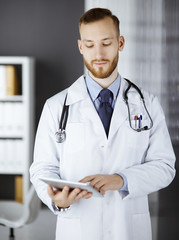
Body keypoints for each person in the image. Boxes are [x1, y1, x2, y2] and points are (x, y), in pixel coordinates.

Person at [30, 8, 176, 240]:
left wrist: (122, 179)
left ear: (121, 42)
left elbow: (165, 166)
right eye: (89, 45)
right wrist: (57, 200)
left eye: (106, 42)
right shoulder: (56, 107)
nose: (98, 53)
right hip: (78, 228)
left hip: (129, 229)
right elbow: (41, 168)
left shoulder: (147, 103)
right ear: (80, 47)